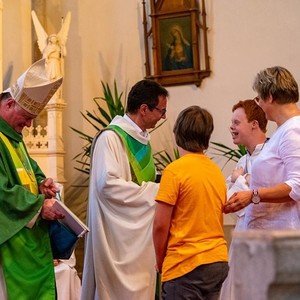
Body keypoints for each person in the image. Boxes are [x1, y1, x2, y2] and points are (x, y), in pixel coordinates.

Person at [81, 79, 169, 300]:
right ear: (143, 109)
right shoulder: (111, 138)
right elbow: (107, 185)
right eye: (161, 111)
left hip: (139, 234)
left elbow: (136, 179)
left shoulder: (141, 139)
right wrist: (155, 191)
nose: (163, 117)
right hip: (117, 235)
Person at [0, 58, 64, 299]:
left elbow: (29, 168)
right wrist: (39, 206)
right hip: (10, 237)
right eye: (26, 117)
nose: (28, 125)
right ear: (8, 104)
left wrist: (41, 182)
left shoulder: (12, 135)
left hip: (26, 229)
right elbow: (2, 190)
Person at [153, 105, 229, 300]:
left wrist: (161, 260)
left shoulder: (174, 171)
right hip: (217, 261)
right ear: (207, 136)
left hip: (185, 263)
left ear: (177, 132)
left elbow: (161, 225)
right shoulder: (216, 172)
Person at [224, 66, 300, 231]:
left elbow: (297, 185)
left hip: (285, 233)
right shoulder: (283, 130)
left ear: (270, 97)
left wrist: (253, 195)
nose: (259, 104)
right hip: (270, 233)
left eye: (259, 99)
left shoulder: (293, 129)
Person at [219, 99, 267, 300]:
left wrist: (238, 179)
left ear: (254, 124)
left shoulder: (271, 156)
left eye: (237, 122)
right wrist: (243, 181)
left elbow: (263, 201)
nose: (231, 127)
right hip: (243, 236)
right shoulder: (242, 160)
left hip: (264, 240)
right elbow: (230, 203)